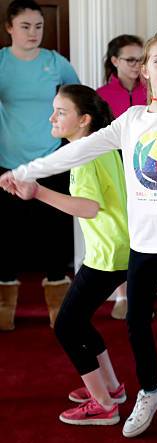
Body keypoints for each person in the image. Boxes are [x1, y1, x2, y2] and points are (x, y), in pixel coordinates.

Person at [1, 31, 157, 443]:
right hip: (142, 243)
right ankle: (151, 390)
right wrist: (27, 171)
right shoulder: (131, 121)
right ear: (144, 70)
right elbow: (75, 152)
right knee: (136, 323)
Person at [6, 85, 128, 425]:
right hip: (118, 248)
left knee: (66, 327)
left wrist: (38, 191)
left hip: (108, 254)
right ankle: (113, 389)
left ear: (84, 120)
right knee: (78, 320)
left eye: (61, 112)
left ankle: (104, 405)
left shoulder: (86, 156)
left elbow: (89, 208)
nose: (52, 117)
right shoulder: (97, 146)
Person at [0, 0, 79, 330]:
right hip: (8, 164)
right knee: (6, 237)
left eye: (38, 26)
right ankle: (4, 310)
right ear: (10, 28)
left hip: (51, 162)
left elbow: (78, 99)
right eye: (25, 26)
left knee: (55, 238)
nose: (33, 33)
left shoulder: (55, 62)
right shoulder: (1, 62)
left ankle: (58, 310)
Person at [97, 34, 147, 320]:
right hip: (114, 171)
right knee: (119, 233)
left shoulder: (152, 92)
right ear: (114, 61)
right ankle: (122, 295)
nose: (136, 65)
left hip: (148, 171)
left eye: (141, 59)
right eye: (130, 60)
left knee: (143, 235)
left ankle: (141, 296)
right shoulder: (101, 95)